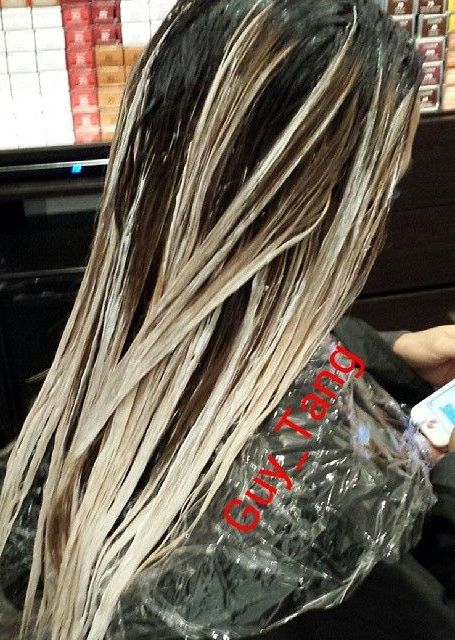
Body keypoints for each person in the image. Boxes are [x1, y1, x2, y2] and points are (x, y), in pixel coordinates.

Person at [0, 1, 453, 639]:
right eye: (383, 192)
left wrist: (395, 354)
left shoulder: (78, 415)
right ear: (312, 214)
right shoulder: (330, 549)